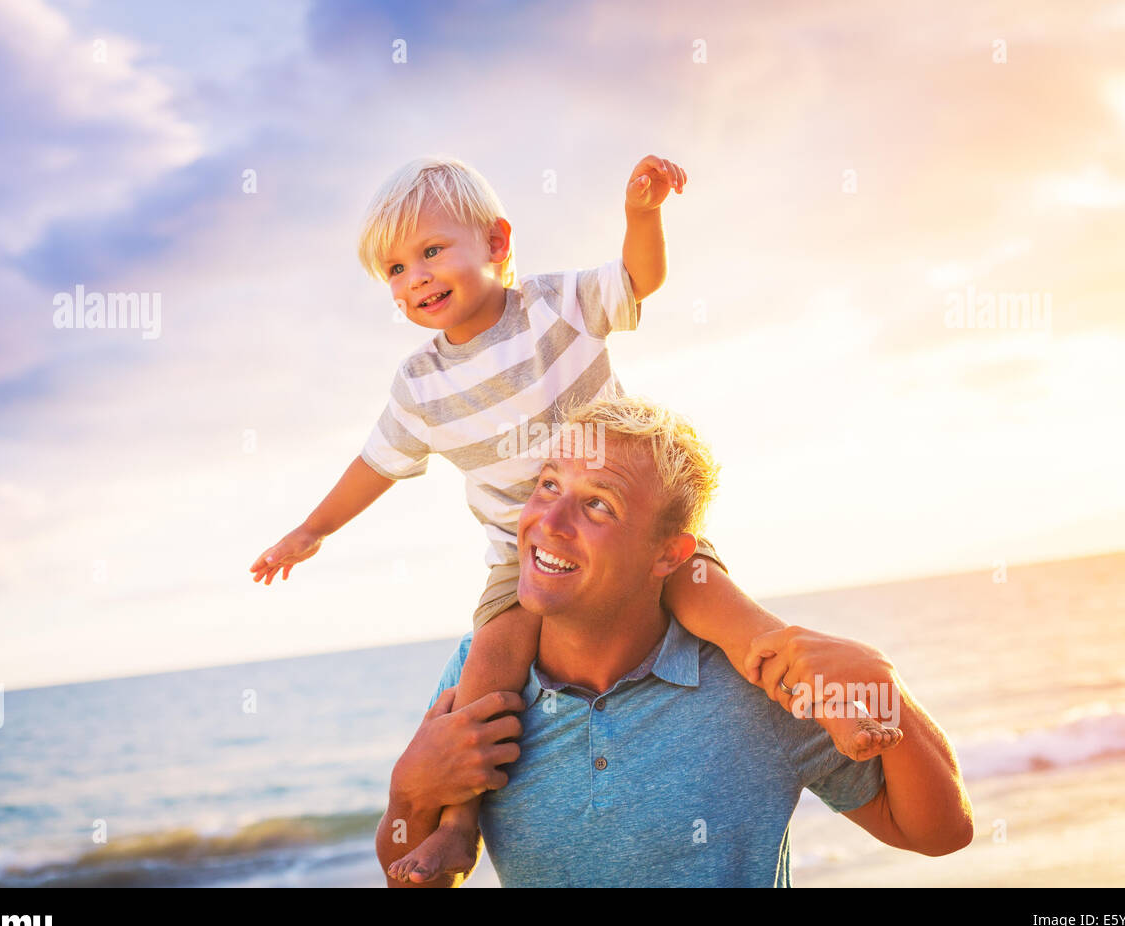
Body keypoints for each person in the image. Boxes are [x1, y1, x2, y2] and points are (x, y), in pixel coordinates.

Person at [251, 155, 899, 885]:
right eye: (396, 270)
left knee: (733, 619)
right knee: (486, 687)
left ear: (497, 244)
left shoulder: (553, 306)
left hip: (629, 527)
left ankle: (836, 709)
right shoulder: (419, 385)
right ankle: (462, 827)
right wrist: (313, 530)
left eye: (432, 252)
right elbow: (375, 463)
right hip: (521, 563)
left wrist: (642, 217)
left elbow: (637, 281)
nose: (417, 279)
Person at [375, 394, 974, 887]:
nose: (549, 525)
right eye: (549, 486)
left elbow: (936, 833)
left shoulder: (752, 684)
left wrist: (882, 685)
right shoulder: (482, 671)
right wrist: (410, 789)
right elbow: (415, 873)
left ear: (669, 555)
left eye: (599, 506)